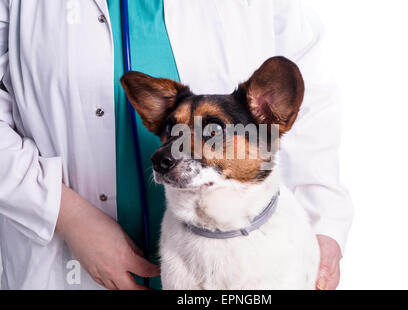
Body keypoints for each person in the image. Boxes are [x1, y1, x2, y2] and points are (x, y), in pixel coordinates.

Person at [0, 0, 353, 290]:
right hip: (69, 260)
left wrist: (321, 226)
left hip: (261, 249)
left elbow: (313, 107)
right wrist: (67, 216)